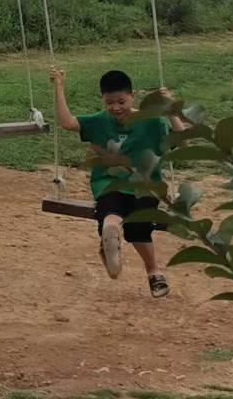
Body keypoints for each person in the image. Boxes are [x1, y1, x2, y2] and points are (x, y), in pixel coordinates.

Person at [52, 66, 185, 296]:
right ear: (103, 100)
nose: (115, 108)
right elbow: (67, 122)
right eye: (109, 103)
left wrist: (171, 111)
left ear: (132, 96)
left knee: (137, 224)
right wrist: (59, 86)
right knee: (110, 209)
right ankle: (116, 240)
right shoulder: (99, 121)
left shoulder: (152, 122)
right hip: (109, 183)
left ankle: (146, 266)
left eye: (121, 102)